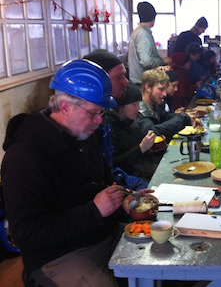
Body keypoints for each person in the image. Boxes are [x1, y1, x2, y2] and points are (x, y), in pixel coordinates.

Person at [1, 60, 149, 287]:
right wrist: (94, 211)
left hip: (102, 233)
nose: (99, 121)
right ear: (66, 108)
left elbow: (104, 178)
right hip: (58, 255)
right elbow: (26, 233)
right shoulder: (26, 155)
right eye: (93, 113)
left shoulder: (82, 133)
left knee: (157, 254)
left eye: (101, 112)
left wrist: (125, 198)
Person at [84, 49, 148, 190]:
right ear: (98, 81)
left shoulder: (105, 114)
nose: (126, 81)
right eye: (119, 77)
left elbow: (108, 167)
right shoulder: (84, 126)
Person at [110, 82, 163, 182]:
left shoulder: (133, 121)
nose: (138, 108)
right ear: (120, 106)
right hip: (131, 178)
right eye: (134, 104)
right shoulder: (111, 128)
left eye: (139, 103)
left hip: (145, 169)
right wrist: (141, 148)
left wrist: (151, 148)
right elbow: (116, 163)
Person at [136, 68, 194, 141]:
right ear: (148, 87)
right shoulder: (138, 109)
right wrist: (182, 119)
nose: (165, 94)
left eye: (165, 89)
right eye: (161, 89)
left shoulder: (155, 104)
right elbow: (152, 131)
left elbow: (166, 117)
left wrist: (186, 116)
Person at [128, 1, 169, 85]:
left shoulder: (137, 31)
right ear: (153, 18)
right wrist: (162, 60)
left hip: (138, 80)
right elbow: (145, 61)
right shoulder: (143, 34)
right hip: (141, 82)